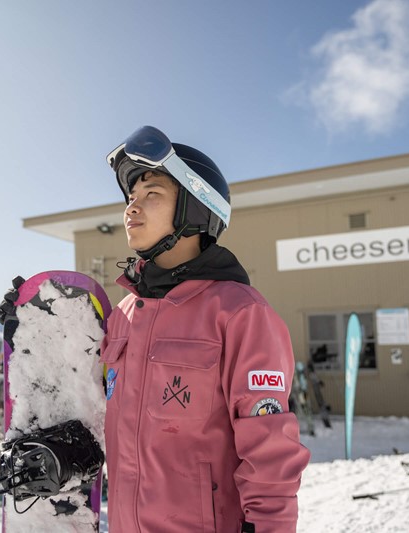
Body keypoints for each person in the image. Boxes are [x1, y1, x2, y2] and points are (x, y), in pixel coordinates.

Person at [101, 126, 310, 532]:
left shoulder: (239, 313)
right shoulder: (123, 314)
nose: (131, 208)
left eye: (151, 195)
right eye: (130, 198)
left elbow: (271, 447)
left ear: (194, 209)